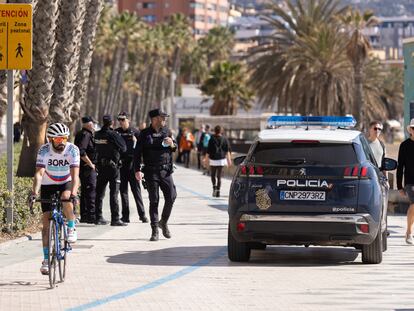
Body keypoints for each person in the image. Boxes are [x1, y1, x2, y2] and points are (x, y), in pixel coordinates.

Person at [29, 123, 80, 275]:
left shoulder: (72, 149)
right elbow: (39, 173)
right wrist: (34, 192)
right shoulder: (44, 150)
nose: (61, 142)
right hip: (48, 183)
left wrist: (74, 193)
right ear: (51, 139)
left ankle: (71, 227)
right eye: (58, 139)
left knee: (66, 197)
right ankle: (45, 260)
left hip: (66, 181)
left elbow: (75, 176)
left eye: (64, 138)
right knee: (46, 224)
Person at [134, 108, 177, 241]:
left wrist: (172, 144)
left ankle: (163, 222)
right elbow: (137, 153)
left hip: (166, 171)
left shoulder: (167, 131)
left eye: (165, 117)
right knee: (154, 200)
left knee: (171, 196)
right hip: (151, 171)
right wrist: (137, 170)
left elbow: (175, 147)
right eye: (162, 117)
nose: (165, 119)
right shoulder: (144, 134)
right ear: (154, 119)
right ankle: (154, 230)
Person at [115, 112, 148, 223]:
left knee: (136, 191)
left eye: (123, 119)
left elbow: (143, 150)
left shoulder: (136, 132)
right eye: (119, 119)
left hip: (133, 165)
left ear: (128, 119)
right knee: (123, 192)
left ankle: (142, 215)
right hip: (122, 165)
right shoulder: (117, 132)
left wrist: (141, 167)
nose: (121, 121)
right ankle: (125, 216)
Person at [94, 115, 127, 226]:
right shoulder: (113, 134)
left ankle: (98, 217)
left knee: (99, 193)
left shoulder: (97, 134)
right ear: (112, 122)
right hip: (113, 168)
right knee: (114, 193)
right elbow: (124, 148)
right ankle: (115, 219)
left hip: (101, 167)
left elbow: (95, 149)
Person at [74, 116, 97, 224]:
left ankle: (85, 215)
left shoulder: (84, 133)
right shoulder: (85, 134)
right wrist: (91, 164)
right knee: (90, 191)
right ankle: (90, 216)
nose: (93, 125)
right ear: (87, 124)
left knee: (85, 191)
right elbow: (81, 152)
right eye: (92, 123)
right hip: (87, 167)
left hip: (84, 167)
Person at [397, 118, 414, 245]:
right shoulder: (404, 145)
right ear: (410, 130)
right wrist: (399, 186)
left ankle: (409, 231)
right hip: (410, 182)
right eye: (413, 128)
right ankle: (409, 232)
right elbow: (400, 167)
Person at [203, 125, 232, 197]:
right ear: (221, 131)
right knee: (219, 176)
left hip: (213, 159)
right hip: (221, 159)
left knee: (213, 175)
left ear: (214, 131)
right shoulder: (224, 139)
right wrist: (229, 161)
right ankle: (218, 191)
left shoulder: (211, 139)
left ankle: (214, 188)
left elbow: (208, 151)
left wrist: (205, 160)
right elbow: (227, 150)